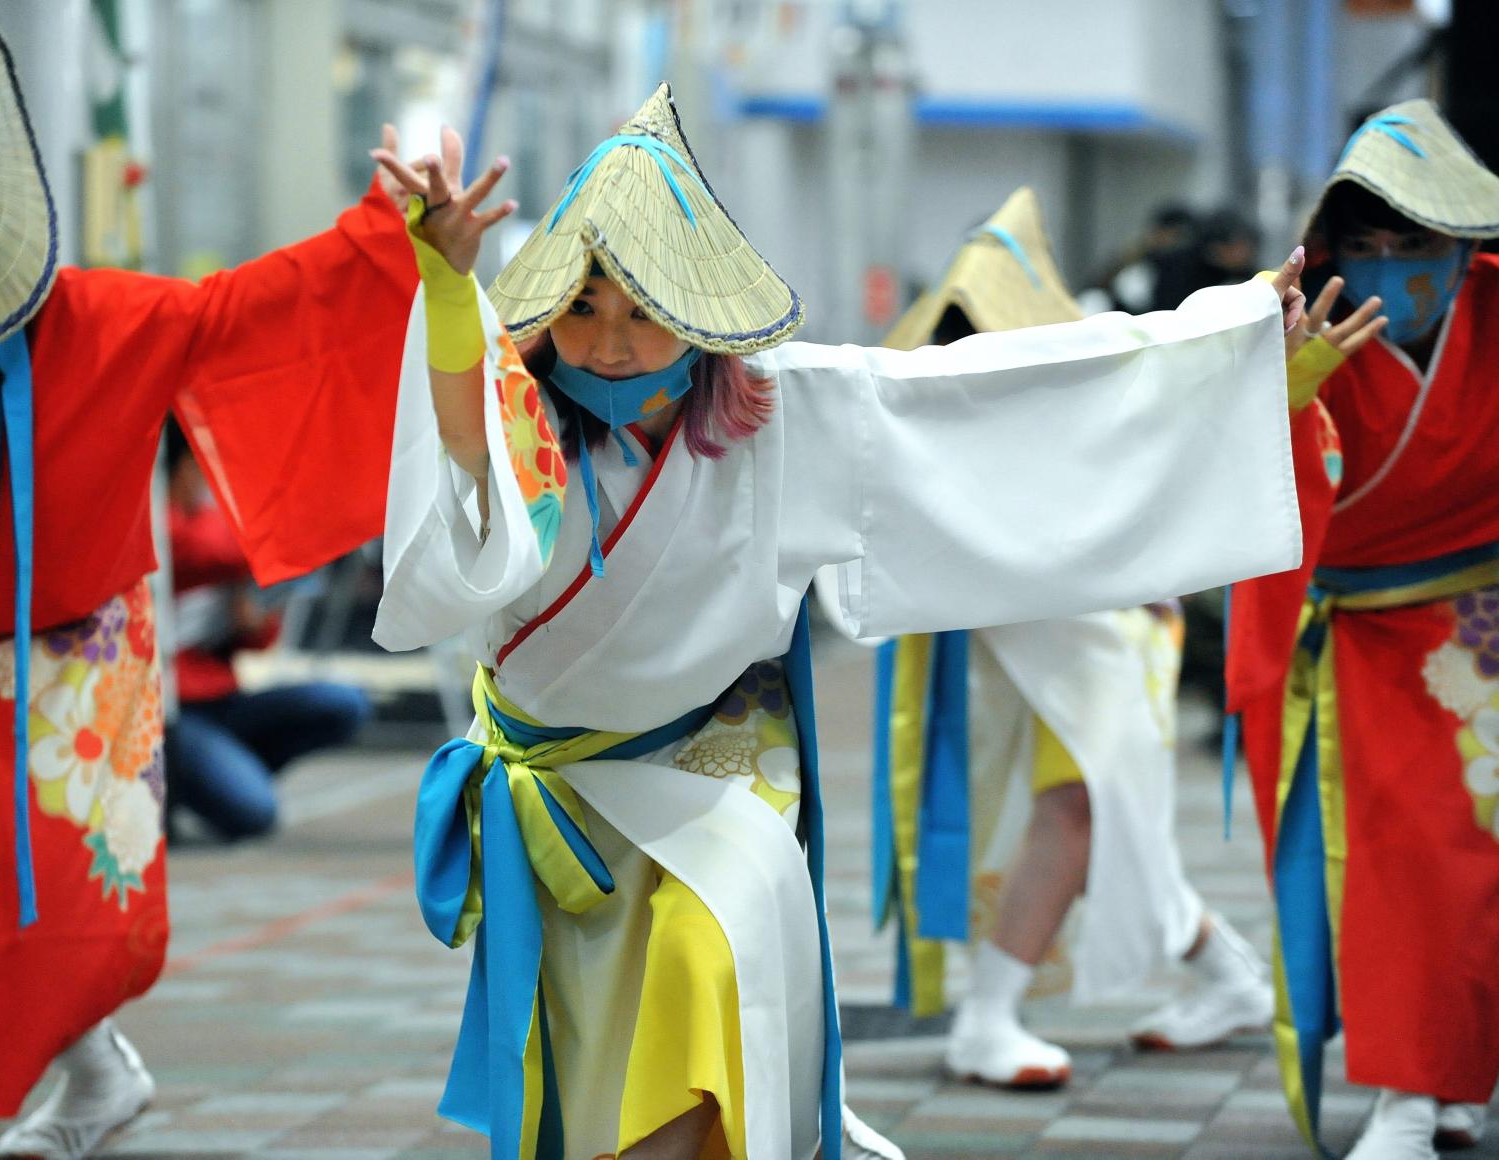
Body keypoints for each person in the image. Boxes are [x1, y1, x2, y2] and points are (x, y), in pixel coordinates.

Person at [370, 84, 1309, 1158]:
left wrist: (1227, 342)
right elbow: (461, 440)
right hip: (561, 797)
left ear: (700, 316)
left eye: (641, 310)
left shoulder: (792, 416)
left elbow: (996, 394)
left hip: (709, 780)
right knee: (589, 1078)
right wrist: (448, 283)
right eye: (582, 310)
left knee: (709, 972)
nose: (612, 343)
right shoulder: (525, 420)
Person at [0, 22, 418, 1160]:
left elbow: (251, 308)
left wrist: (387, 236)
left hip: (75, 650)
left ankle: (59, 1081)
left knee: (53, 903)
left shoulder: (99, 321)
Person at [854, 188, 1297, 1091]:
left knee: (1087, 808)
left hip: (1108, 631)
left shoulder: (1074, 379)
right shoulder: (933, 401)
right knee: (1102, 813)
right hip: (1053, 634)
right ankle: (1226, 975)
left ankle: (990, 1015)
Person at [1227, 98, 1499, 1159]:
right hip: (1362, 641)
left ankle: (1453, 1076)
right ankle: (1403, 1090)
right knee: (1397, 860)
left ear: (1459, 245)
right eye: (1365, 246)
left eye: (1414, 245)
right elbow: (1238, 483)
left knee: (1475, 870)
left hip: (1482, 624)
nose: (1389, 269)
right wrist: (1287, 387)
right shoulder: (1284, 330)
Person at [162, 424, 372, 840]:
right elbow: (204, 548)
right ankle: (194, 785)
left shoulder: (214, 528)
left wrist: (254, 615)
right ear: (183, 467)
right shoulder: (161, 526)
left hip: (220, 698)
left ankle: (219, 773)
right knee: (254, 813)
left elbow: (257, 640)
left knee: (344, 702)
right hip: (170, 712)